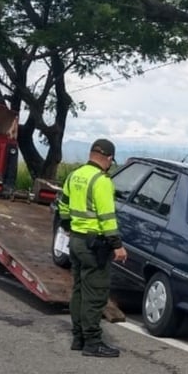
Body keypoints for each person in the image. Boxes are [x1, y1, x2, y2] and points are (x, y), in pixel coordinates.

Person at [57, 138, 128, 358]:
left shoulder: (74, 175)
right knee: (95, 294)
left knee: (79, 290)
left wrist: (68, 227)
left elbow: (63, 206)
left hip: (76, 241)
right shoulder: (102, 181)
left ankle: (78, 337)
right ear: (109, 158)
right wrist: (117, 246)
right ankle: (92, 342)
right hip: (94, 245)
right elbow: (107, 217)